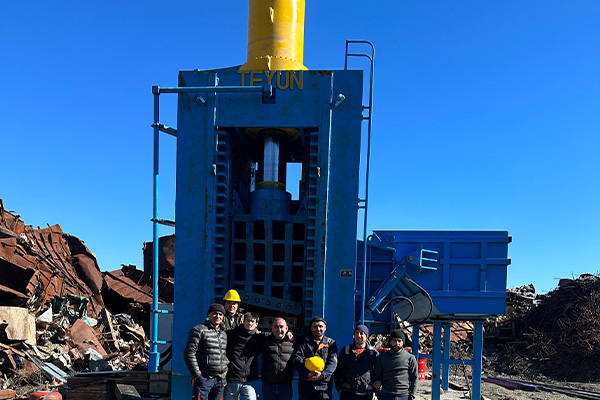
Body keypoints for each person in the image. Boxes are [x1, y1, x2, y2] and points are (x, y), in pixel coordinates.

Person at [183, 303, 229, 400]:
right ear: (208, 314)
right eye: (215, 313)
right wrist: (197, 375)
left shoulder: (224, 333)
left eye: (220, 314)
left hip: (220, 380)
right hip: (204, 379)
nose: (218, 316)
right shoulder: (199, 330)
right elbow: (189, 353)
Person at [294, 317, 338, 400]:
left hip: (324, 387)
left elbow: (333, 362)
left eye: (321, 326)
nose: (318, 329)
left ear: (325, 328)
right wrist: (307, 374)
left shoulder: (331, 343)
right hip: (306, 387)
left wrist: (322, 375)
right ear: (311, 328)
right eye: (315, 326)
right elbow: (297, 359)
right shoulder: (304, 342)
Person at [334, 324, 379, 400]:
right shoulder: (346, 351)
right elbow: (338, 371)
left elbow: (379, 371)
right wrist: (339, 389)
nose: (359, 335)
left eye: (362, 333)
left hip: (366, 393)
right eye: (357, 333)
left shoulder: (372, 352)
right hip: (348, 392)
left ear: (366, 336)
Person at [224, 312, 260, 400]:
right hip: (232, 379)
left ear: (256, 324)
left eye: (252, 321)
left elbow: (274, 337)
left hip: (248, 381)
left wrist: (288, 333)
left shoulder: (259, 337)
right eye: (248, 321)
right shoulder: (231, 334)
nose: (250, 323)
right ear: (243, 321)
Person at [373, 330, 417, 400]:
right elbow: (377, 377)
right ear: (390, 342)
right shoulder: (382, 358)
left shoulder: (410, 358)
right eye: (394, 340)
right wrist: (378, 394)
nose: (397, 343)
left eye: (399, 341)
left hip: (404, 395)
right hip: (386, 394)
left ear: (403, 342)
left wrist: (412, 395)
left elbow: (414, 378)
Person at [259, 317, 296, 400]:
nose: (279, 329)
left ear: (286, 328)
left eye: (281, 327)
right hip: (268, 385)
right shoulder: (265, 341)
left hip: (285, 385)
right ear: (272, 328)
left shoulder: (293, 343)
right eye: (276, 327)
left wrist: (291, 332)